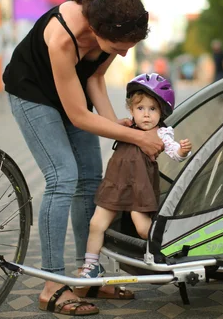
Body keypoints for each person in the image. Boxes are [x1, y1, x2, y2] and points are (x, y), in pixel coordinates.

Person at [3, 0, 165, 315]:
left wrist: (121, 130)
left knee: (91, 179)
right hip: (32, 94)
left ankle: (87, 274)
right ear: (95, 30)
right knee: (63, 176)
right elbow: (78, 115)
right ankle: (52, 285)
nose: (122, 55)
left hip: (71, 94)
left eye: (128, 49)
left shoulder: (111, 29)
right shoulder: (64, 37)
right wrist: (134, 138)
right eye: (119, 48)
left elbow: (94, 80)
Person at [78, 73, 192, 280]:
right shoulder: (126, 127)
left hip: (139, 187)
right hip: (115, 183)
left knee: (142, 228)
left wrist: (182, 151)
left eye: (152, 109)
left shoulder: (162, 133)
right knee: (96, 224)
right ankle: (90, 265)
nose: (146, 115)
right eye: (140, 108)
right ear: (131, 110)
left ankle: (168, 252)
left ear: (162, 112)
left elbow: (174, 153)